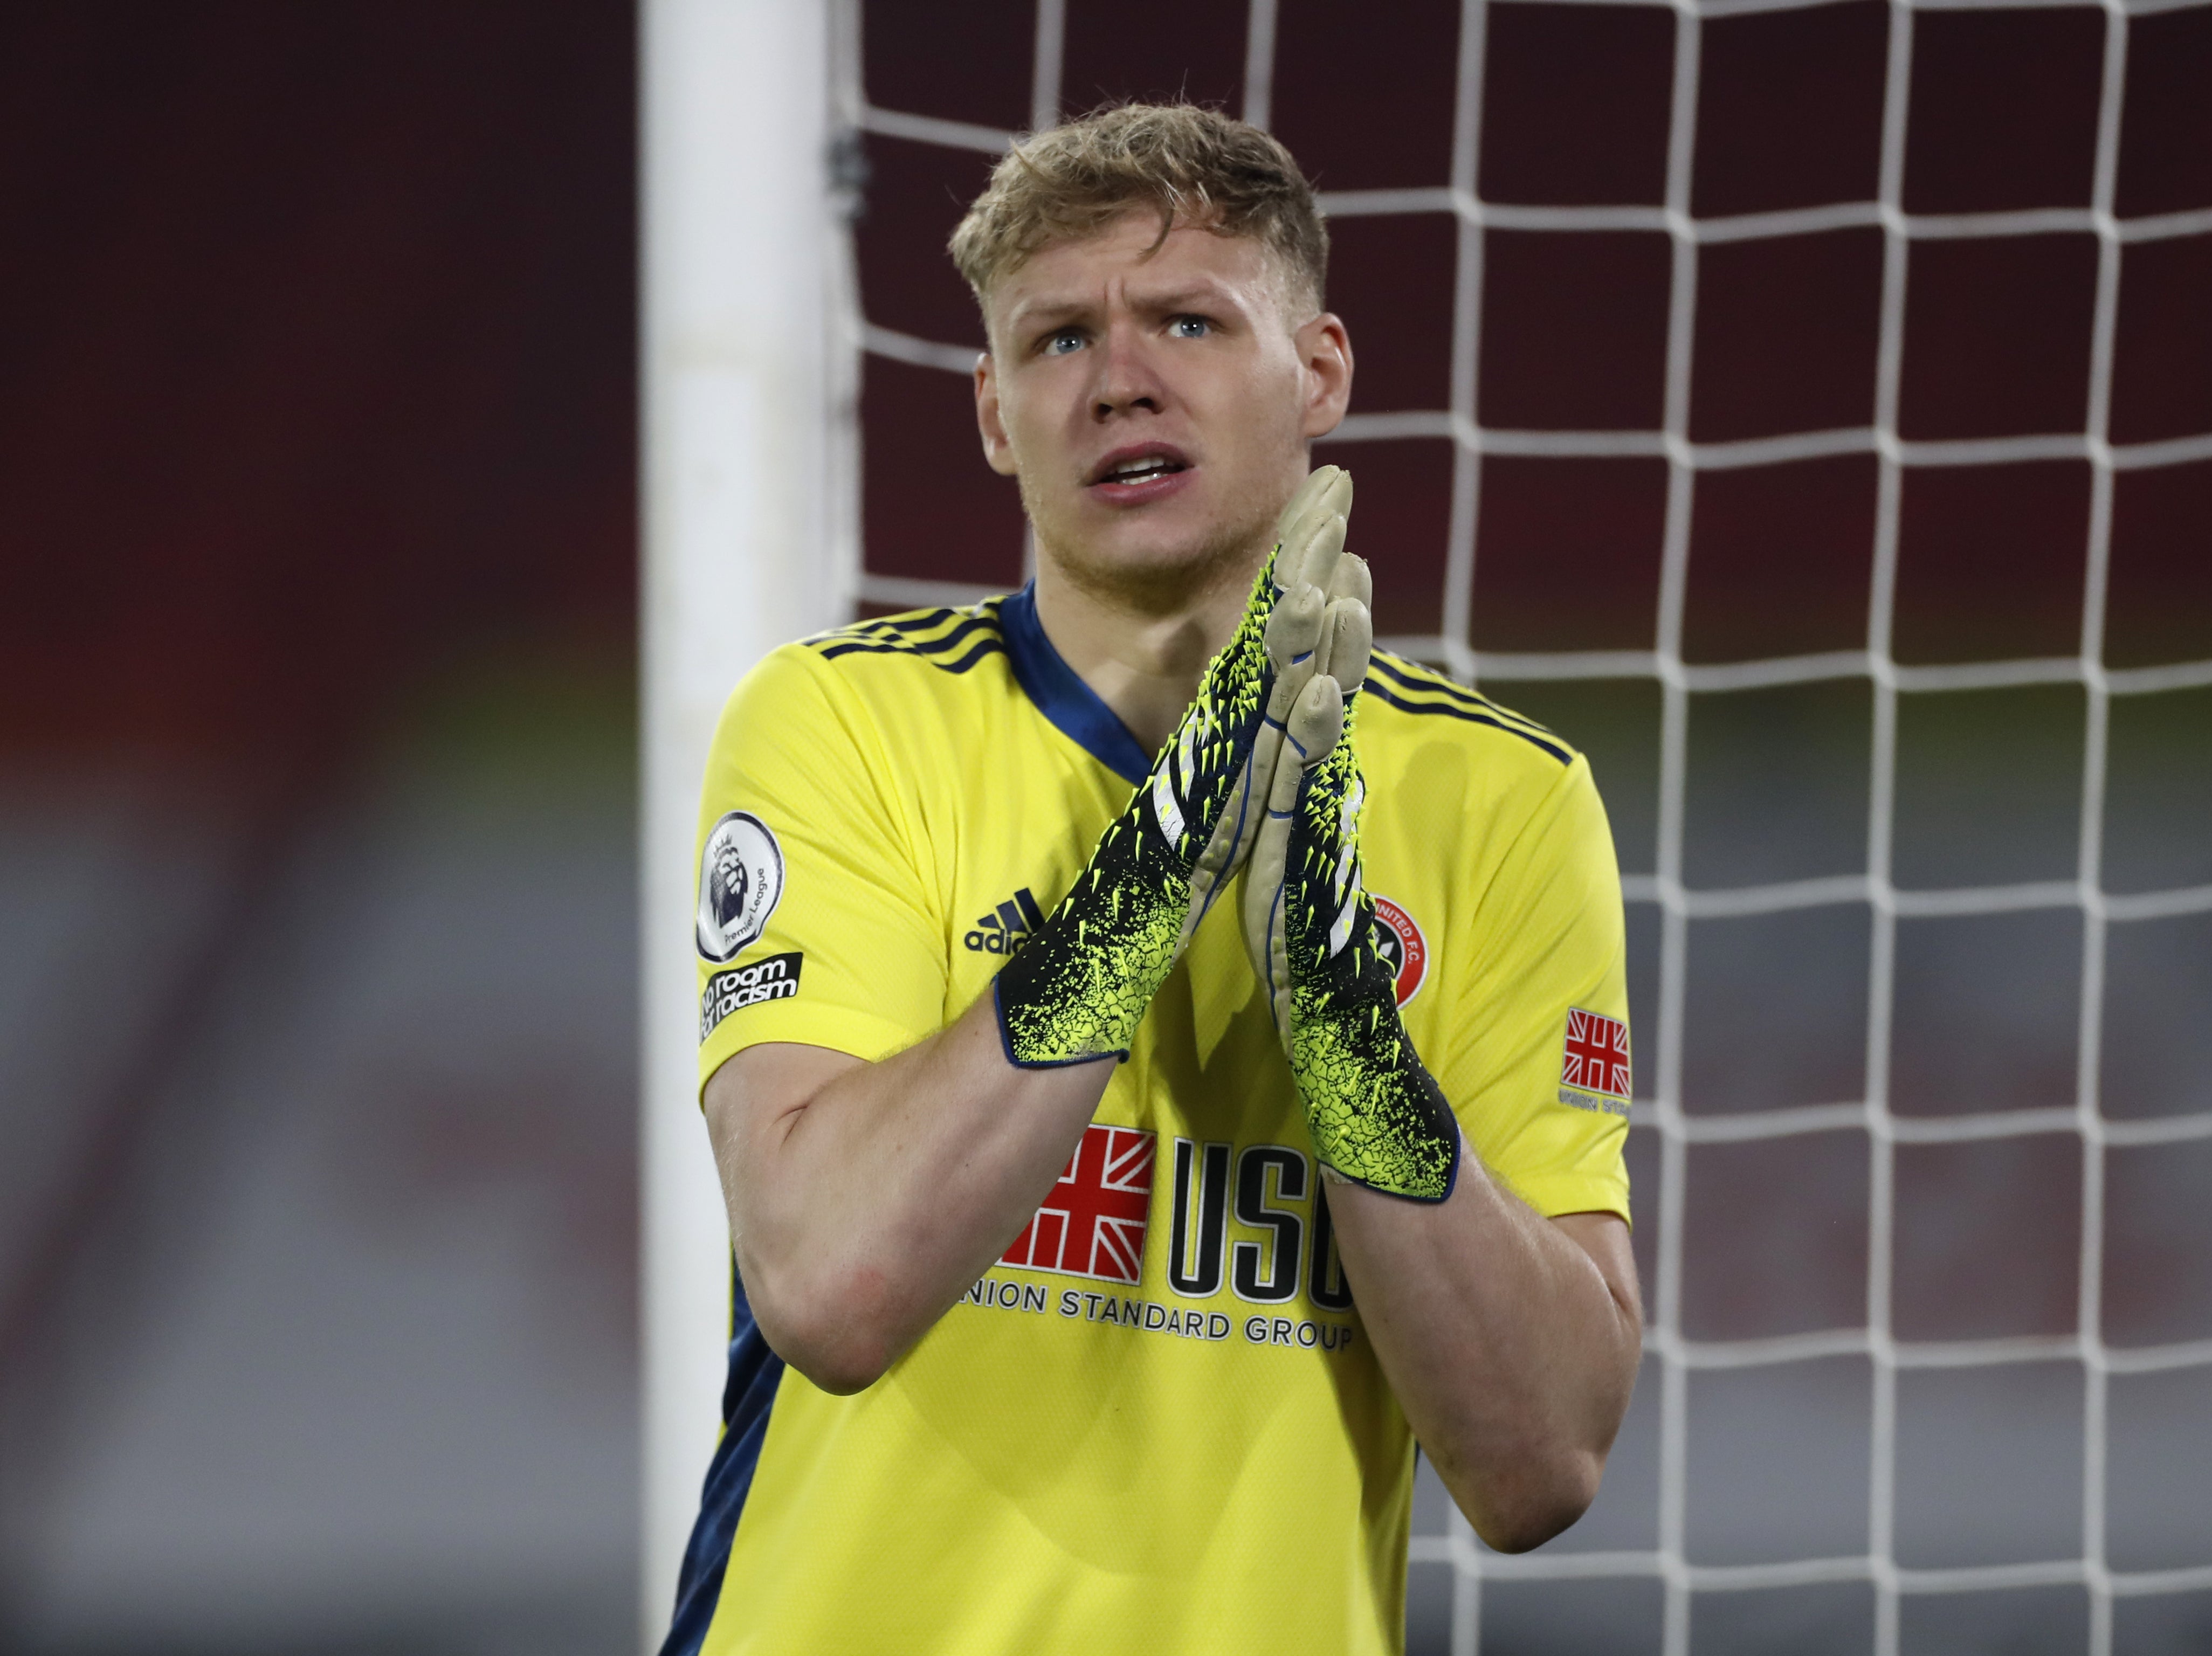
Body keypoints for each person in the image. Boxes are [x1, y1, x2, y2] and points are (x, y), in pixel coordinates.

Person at [664, 103, 1642, 1656]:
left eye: (1186, 318)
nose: (1118, 375)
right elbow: (834, 1287)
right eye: (1057, 340)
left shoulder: (1501, 802)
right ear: (992, 414)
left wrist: (1339, 1021)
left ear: (1316, 370)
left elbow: (1539, 1462)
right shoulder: (844, 720)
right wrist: (1163, 858)